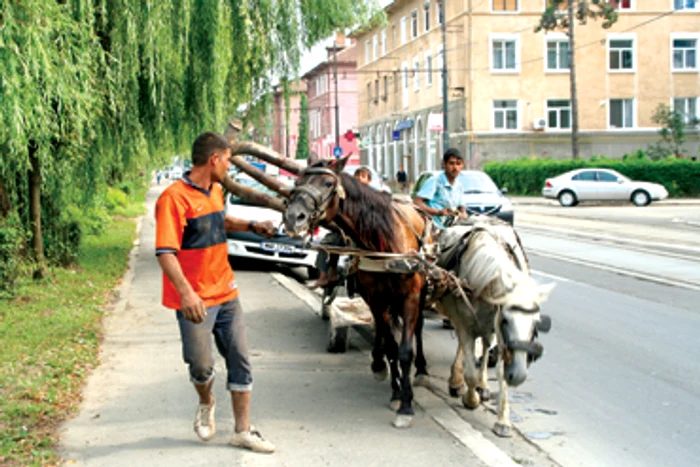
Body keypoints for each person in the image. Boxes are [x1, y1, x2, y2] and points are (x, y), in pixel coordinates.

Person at [155, 131, 276, 454]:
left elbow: (220, 222)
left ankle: (243, 431)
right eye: (227, 160)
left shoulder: (216, 191)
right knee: (201, 365)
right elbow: (166, 252)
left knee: (240, 359)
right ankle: (206, 400)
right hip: (194, 300)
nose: (228, 167)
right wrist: (188, 294)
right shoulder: (173, 199)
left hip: (226, 292)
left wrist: (253, 226)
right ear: (214, 160)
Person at [310, 166, 373, 289]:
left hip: (364, 234)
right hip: (344, 231)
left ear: (369, 181)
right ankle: (325, 276)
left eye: (363, 176)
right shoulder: (345, 194)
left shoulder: (371, 196)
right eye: (357, 175)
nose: (359, 178)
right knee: (327, 244)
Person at [412, 147, 467, 231]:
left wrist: (462, 214)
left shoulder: (459, 186)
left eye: (458, 164)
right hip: (432, 229)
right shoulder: (435, 181)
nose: (455, 167)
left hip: (451, 230)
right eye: (451, 164)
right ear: (444, 164)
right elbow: (417, 202)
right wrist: (438, 212)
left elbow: (462, 208)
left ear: (462, 165)